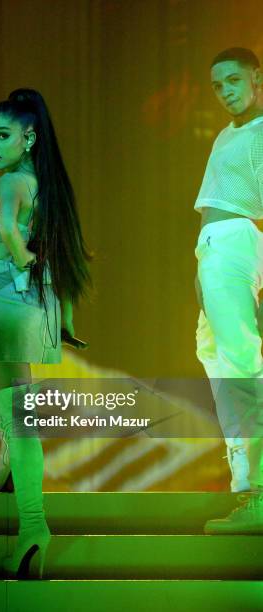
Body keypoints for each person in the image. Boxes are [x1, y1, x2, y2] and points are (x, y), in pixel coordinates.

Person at [0, 88, 92, 577]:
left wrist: (22, 263)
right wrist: (60, 309)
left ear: (29, 137)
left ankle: (34, 529)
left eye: (3, 135)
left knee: (20, 416)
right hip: (12, 297)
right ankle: (7, 465)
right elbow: (64, 250)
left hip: (5, 294)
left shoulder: (12, 179)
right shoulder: (44, 182)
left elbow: (15, 234)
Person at [194, 48, 263, 533]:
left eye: (234, 80)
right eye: (218, 86)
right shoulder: (227, 133)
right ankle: (244, 476)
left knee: (241, 361)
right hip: (214, 247)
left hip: (236, 243)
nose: (226, 92)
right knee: (213, 353)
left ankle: (257, 496)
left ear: (257, 77)